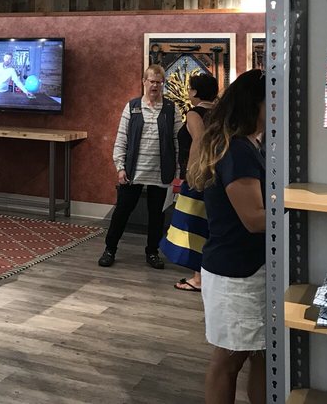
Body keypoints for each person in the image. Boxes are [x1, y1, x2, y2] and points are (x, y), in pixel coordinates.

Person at [188, 69, 266, 404]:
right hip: (237, 273)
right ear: (255, 105)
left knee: (260, 354)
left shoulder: (246, 145)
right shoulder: (237, 150)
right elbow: (254, 219)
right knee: (229, 360)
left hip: (241, 267)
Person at [98, 64, 180, 270]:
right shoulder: (132, 106)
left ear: (163, 84)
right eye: (151, 81)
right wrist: (120, 167)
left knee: (156, 216)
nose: (155, 86)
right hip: (133, 172)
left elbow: (177, 141)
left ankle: (152, 252)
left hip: (161, 173)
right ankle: (110, 249)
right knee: (122, 212)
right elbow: (121, 139)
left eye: (159, 82)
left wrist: (177, 171)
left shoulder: (172, 109)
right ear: (144, 82)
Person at [159, 73, 218, 292]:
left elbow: (198, 141)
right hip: (216, 177)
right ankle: (206, 276)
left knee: (193, 226)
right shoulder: (219, 113)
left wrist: (192, 174)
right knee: (208, 226)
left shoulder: (194, 113)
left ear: (194, 92)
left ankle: (198, 278)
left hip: (198, 179)